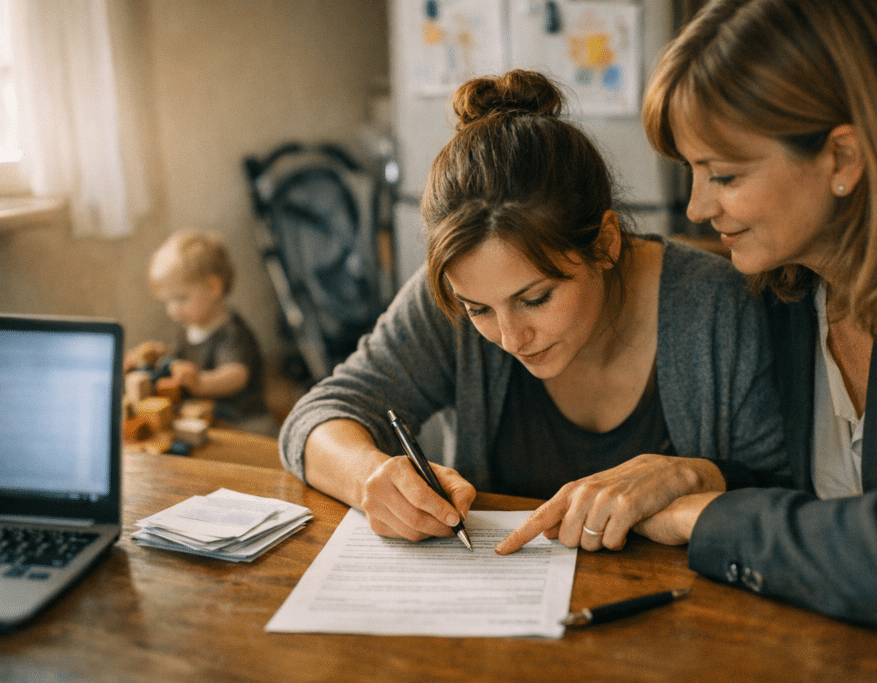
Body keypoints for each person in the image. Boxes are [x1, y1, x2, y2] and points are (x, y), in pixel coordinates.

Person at [512, 0, 877, 637]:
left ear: (842, 157)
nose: (697, 208)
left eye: (723, 174)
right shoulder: (792, 279)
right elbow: (821, 501)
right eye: (692, 172)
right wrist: (698, 475)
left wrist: (702, 516)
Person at [279, 69, 785, 551]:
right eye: (478, 308)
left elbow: (789, 494)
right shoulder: (454, 300)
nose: (510, 338)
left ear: (606, 243)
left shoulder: (719, 306)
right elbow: (318, 417)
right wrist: (369, 475)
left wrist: (694, 475)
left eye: (535, 299)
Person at [127, 231, 278, 437]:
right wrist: (161, 357)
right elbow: (180, 362)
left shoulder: (231, 332)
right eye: (168, 302)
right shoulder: (190, 325)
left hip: (244, 421)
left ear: (213, 288)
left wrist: (201, 383)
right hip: (208, 416)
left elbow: (236, 376)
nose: (173, 310)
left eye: (180, 299)